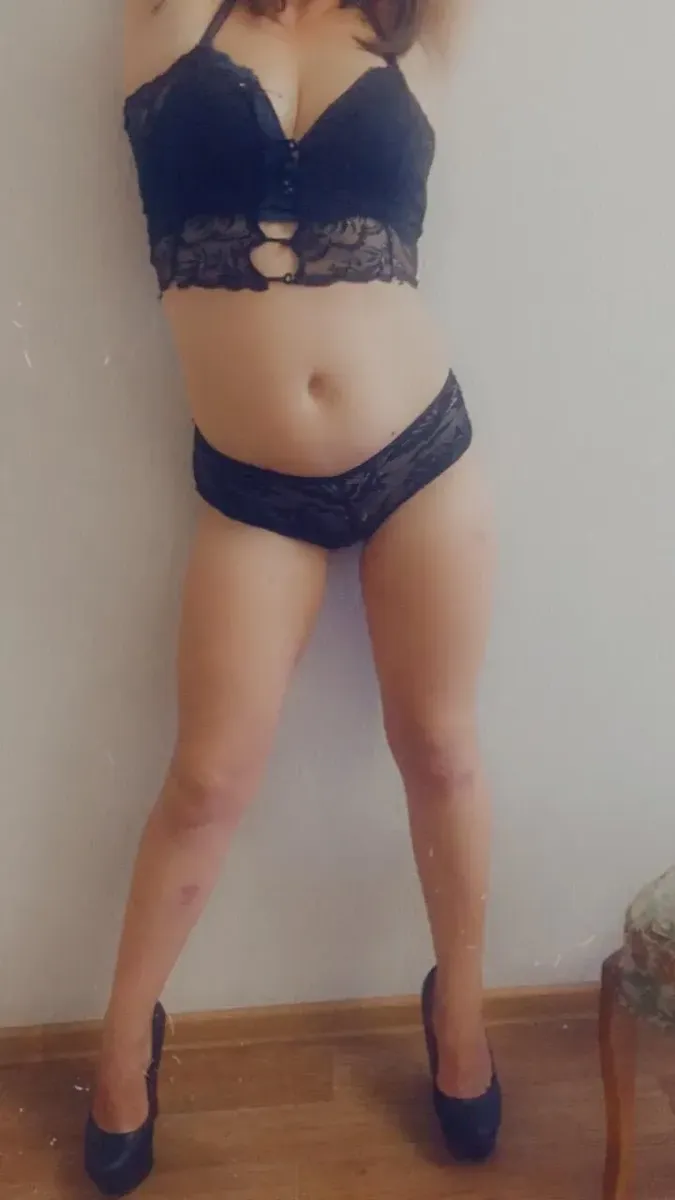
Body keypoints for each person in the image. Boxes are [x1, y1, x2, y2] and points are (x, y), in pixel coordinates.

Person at [85, 1, 500, 1194]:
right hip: (252, 486)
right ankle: (122, 1046)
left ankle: (461, 1014)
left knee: (440, 748)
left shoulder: (423, 25)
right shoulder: (168, 16)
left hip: (423, 456)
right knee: (207, 781)